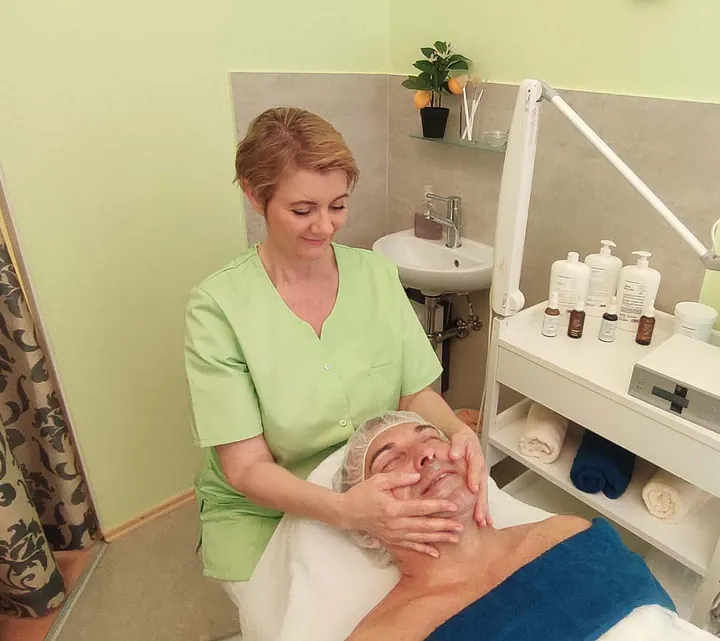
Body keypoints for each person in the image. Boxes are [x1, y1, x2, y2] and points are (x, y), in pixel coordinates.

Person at [183, 107, 490, 639]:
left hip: (370, 482)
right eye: (302, 209)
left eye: (338, 205)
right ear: (255, 196)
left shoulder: (375, 275)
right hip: (262, 510)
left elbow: (415, 393)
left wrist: (458, 432)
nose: (324, 226)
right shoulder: (218, 309)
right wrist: (347, 512)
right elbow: (247, 468)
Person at [334, 412, 676, 641]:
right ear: (367, 527)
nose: (427, 455)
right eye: (390, 461)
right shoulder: (385, 634)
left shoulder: (569, 533)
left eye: (431, 438)